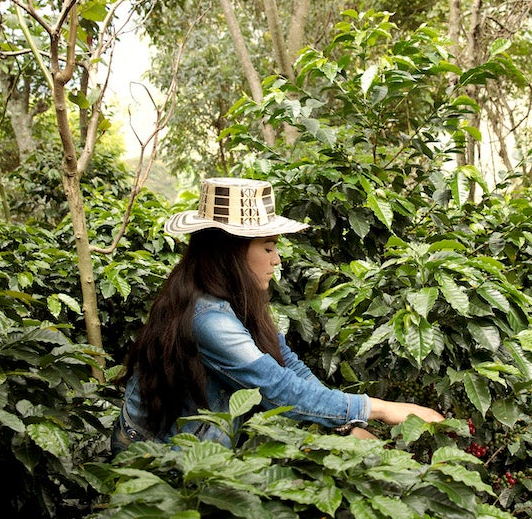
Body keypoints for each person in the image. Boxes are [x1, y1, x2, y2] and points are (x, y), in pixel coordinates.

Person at [111, 176, 443, 453]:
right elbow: (276, 387)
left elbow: (287, 363)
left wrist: (346, 425)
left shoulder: (233, 299)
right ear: (231, 253)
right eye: (268, 247)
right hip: (152, 457)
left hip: (197, 443)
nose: (277, 259)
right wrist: (380, 409)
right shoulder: (207, 318)